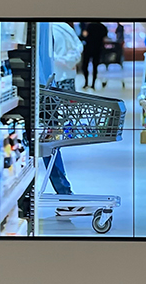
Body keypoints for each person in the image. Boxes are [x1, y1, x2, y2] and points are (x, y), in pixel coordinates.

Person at [36, 22, 80, 197]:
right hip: (52, 84)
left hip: (44, 88)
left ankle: (64, 192)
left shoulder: (45, 25)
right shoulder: (61, 26)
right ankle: (64, 192)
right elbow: (78, 47)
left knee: (49, 141)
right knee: (50, 141)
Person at [82, 21, 108, 89]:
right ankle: (93, 84)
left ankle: (86, 83)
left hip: (88, 47)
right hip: (98, 48)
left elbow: (84, 36)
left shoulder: (89, 26)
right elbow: (105, 38)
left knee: (85, 66)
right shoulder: (102, 27)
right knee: (95, 67)